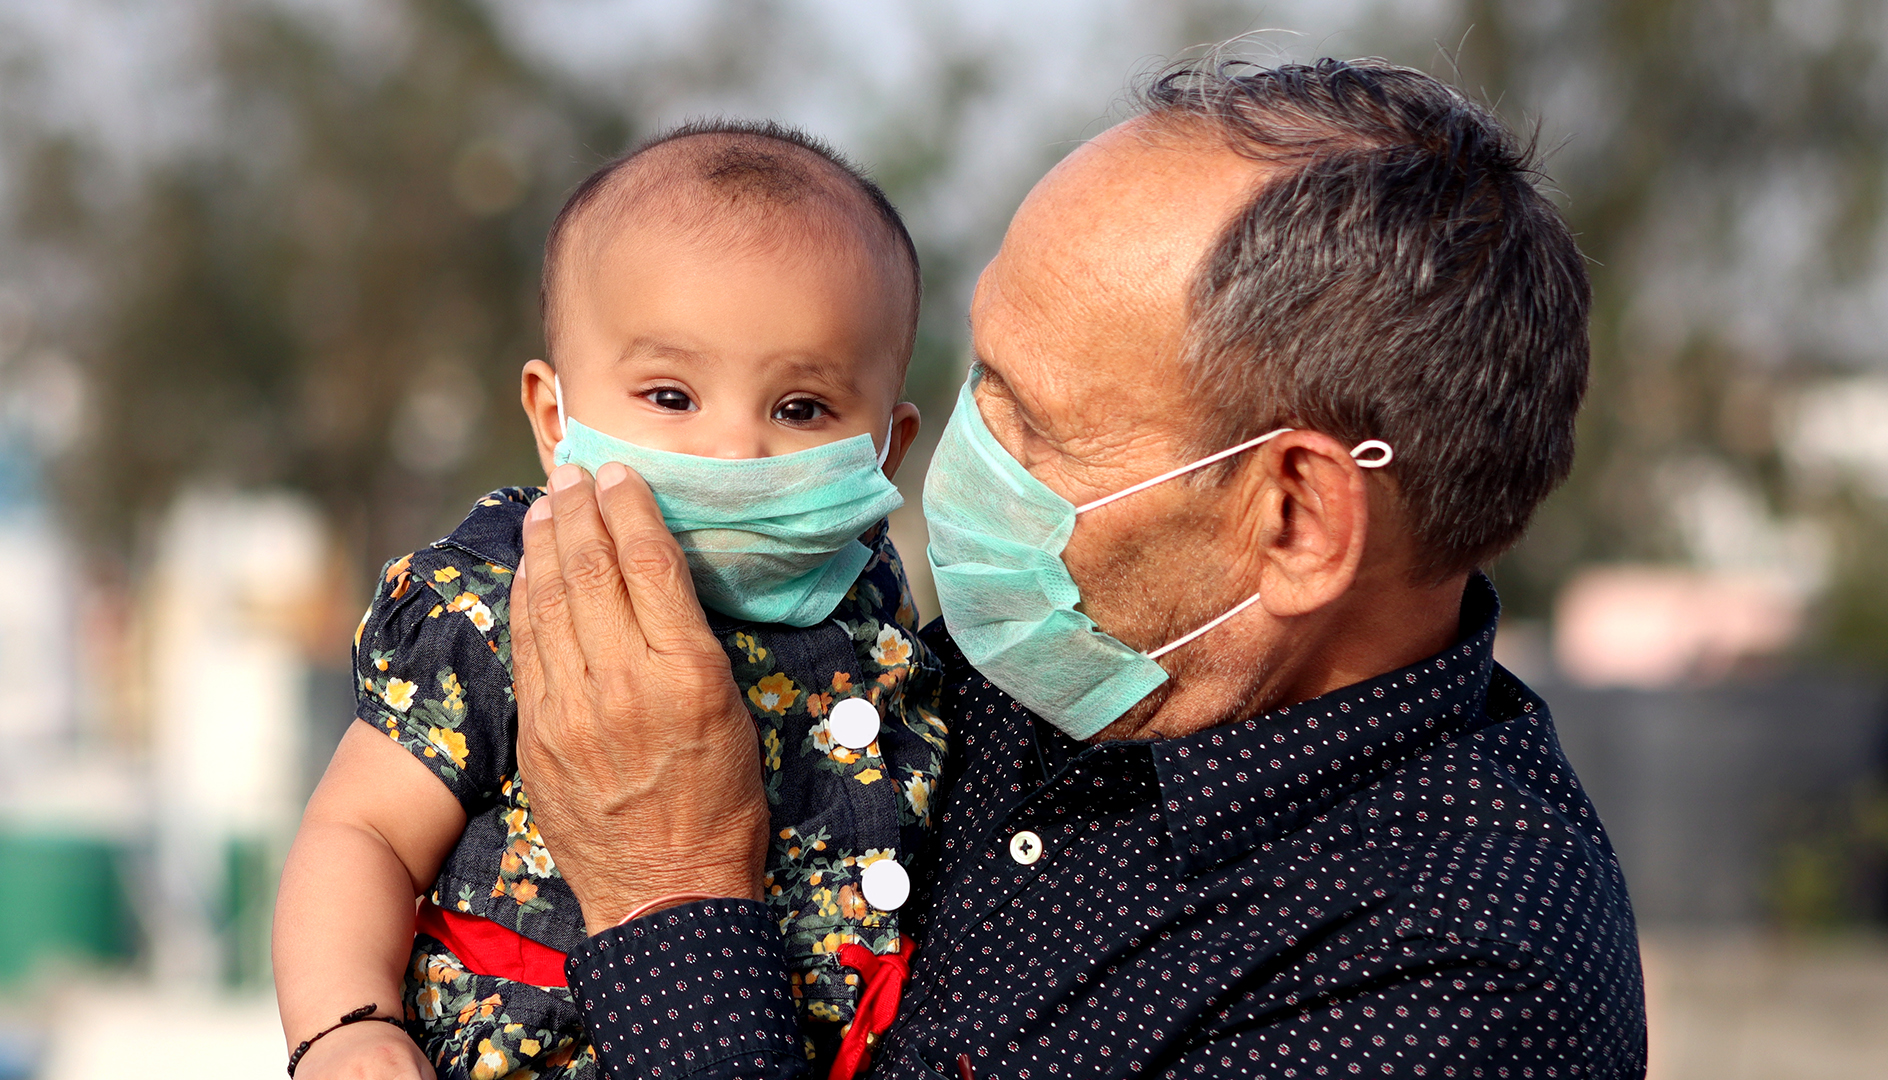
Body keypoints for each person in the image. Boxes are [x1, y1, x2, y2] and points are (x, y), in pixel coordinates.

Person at [511, 57, 1649, 1080]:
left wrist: (671, 893)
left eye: (1030, 423)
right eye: (978, 381)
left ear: (1296, 518)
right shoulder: (1045, 662)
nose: (953, 461)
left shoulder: (1458, 988)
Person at [273, 121, 946, 1079]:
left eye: (801, 408)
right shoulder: (501, 600)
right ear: (557, 418)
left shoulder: (879, 603)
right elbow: (363, 829)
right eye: (671, 396)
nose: (732, 451)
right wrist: (346, 1027)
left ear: (888, 443)